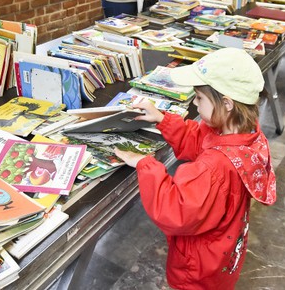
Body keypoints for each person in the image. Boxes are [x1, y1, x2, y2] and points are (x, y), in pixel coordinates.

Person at [114, 48, 276, 290]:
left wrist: (144, 164)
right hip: (222, 257)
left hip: (196, 272)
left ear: (227, 104)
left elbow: (174, 208)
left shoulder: (213, 168)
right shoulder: (244, 133)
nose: (194, 103)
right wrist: (162, 119)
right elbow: (200, 139)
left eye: (199, 98)